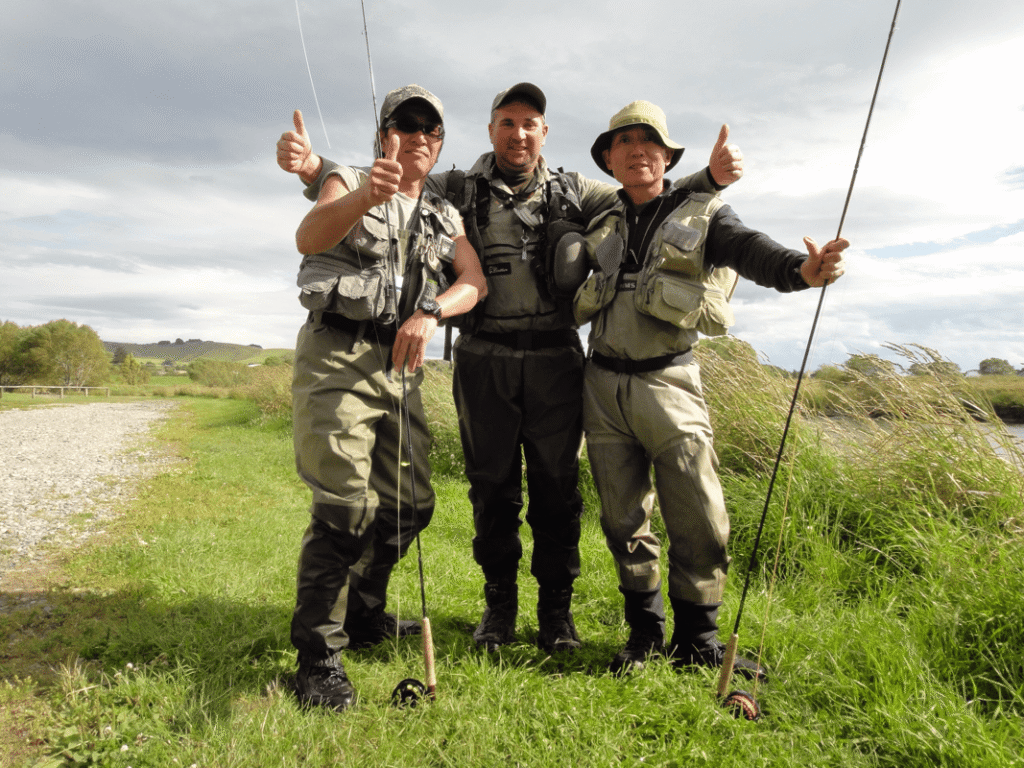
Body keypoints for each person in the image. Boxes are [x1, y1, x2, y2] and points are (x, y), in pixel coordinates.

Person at [278, 83, 742, 655]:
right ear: (490, 130)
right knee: (491, 491)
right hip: (483, 359)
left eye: (530, 123)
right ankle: (497, 608)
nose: (518, 134)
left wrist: (710, 182)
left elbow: (646, 193)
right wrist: (314, 168)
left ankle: (556, 613)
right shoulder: (457, 189)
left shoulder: (577, 191)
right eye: (506, 123)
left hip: (554, 360)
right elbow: (391, 180)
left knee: (556, 491)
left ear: (544, 131)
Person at [571, 100, 847, 676]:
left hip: (669, 381)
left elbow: (752, 250)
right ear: (609, 160)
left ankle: (698, 638)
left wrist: (803, 269)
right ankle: (643, 635)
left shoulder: (706, 215)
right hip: (600, 386)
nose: (638, 149)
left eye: (651, 141)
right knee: (623, 519)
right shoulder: (598, 218)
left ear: (667, 156)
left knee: (698, 512)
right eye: (624, 142)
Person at [289, 84, 486, 711]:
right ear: (384, 135)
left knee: (411, 503)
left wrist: (432, 310)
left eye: (431, 131)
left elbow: (474, 281)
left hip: (400, 366)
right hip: (339, 357)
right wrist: (363, 198)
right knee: (344, 505)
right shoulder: (347, 179)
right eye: (406, 126)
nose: (420, 138)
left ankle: (366, 611)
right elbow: (309, 237)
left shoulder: (444, 213)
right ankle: (319, 654)